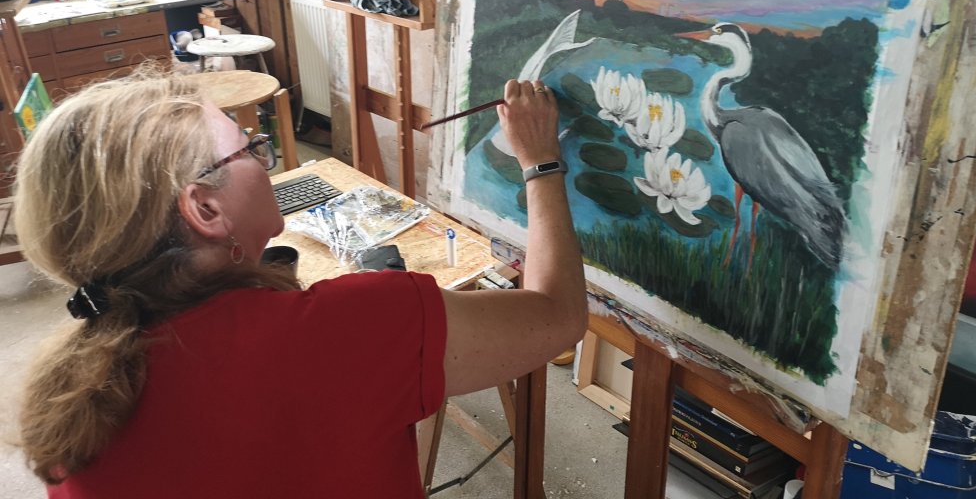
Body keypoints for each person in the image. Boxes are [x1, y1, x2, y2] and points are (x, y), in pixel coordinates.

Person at [14, 72, 586, 497]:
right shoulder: (350, 328)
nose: (264, 156)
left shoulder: (76, 391)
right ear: (205, 209)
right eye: (249, 148)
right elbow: (557, 316)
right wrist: (539, 160)